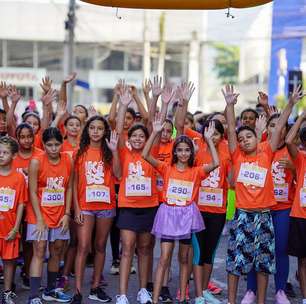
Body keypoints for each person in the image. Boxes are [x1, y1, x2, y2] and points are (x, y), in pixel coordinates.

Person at [222, 84, 303, 304]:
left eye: (249, 136)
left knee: (264, 263)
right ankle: (232, 301)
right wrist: (229, 105)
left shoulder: (267, 151)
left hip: (264, 216)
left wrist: (291, 103)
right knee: (236, 262)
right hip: (242, 216)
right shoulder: (237, 156)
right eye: (242, 139)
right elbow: (231, 128)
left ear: (259, 138)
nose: (244, 140)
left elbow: (278, 128)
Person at [142, 113, 219, 304]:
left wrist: (208, 141)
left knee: (185, 258)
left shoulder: (197, 171)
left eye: (187, 150)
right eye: (180, 150)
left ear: (191, 153)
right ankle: (155, 299)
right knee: (164, 258)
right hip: (169, 215)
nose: (183, 153)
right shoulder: (166, 168)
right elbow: (145, 155)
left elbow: (216, 163)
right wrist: (156, 132)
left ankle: (183, 296)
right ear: (175, 152)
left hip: (187, 217)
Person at [242, 113, 295, 304]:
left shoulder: (292, 150)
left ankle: (280, 290)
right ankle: (251, 291)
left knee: (280, 249)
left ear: (286, 130)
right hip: (261, 209)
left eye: (279, 126)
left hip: (283, 208)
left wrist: (294, 168)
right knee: (255, 251)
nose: (275, 129)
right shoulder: (262, 148)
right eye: (271, 125)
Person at [114, 84, 159, 304]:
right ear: (129, 139)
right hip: (128, 208)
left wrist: (156, 98)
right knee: (127, 249)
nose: (139, 139)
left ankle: (143, 291)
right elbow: (119, 126)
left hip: (150, 207)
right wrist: (123, 104)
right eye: (135, 136)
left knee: (144, 249)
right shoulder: (124, 152)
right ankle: (122, 294)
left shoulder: (152, 153)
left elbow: (151, 123)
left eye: (142, 136)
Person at [71, 115, 120, 304]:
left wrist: (115, 151)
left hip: (106, 207)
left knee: (100, 246)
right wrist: (76, 208)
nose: (96, 131)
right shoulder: (79, 152)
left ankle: (95, 287)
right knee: (83, 246)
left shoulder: (109, 151)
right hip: (85, 206)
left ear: (104, 131)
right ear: (87, 130)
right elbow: (73, 184)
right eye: (92, 128)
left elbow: (118, 174)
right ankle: (77, 291)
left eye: (100, 128)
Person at [27, 127, 73, 304]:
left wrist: (67, 213)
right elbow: (32, 191)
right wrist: (39, 218)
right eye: (49, 145)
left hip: (60, 213)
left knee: (57, 250)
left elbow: (69, 187)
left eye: (57, 144)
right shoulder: (36, 162)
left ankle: (51, 290)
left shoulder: (68, 159)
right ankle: (33, 296)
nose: (53, 149)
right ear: (44, 145)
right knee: (39, 251)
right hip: (38, 213)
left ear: (62, 143)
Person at [192, 119, 230, 304]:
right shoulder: (196, 147)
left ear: (222, 136)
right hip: (197, 210)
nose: (211, 136)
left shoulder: (227, 150)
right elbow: (180, 123)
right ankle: (198, 294)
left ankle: (205, 289)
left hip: (218, 211)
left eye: (216, 133)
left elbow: (230, 180)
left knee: (210, 253)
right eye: (208, 132)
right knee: (198, 252)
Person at [12, 123, 43, 289]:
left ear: (34, 137)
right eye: (22, 137)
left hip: (33, 204)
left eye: (29, 136)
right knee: (12, 240)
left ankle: (27, 271)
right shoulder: (12, 155)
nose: (26, 140)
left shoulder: (40, 155)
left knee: (29, 242)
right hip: (14, 205)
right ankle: (9, 276)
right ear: (17, 138)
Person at [0, 136, 27, 304]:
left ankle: (7, 292)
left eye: (5, 152)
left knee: (9, 263)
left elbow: (21, 205)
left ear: (14, 155)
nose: (1, 155)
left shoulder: (18, 179)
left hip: (9, 229)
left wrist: (16, 228)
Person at [286, 110, 306, 304]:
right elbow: (289, 140)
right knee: (302, 260)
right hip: (301, 215)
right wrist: (301, 117)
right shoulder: (301, 158)